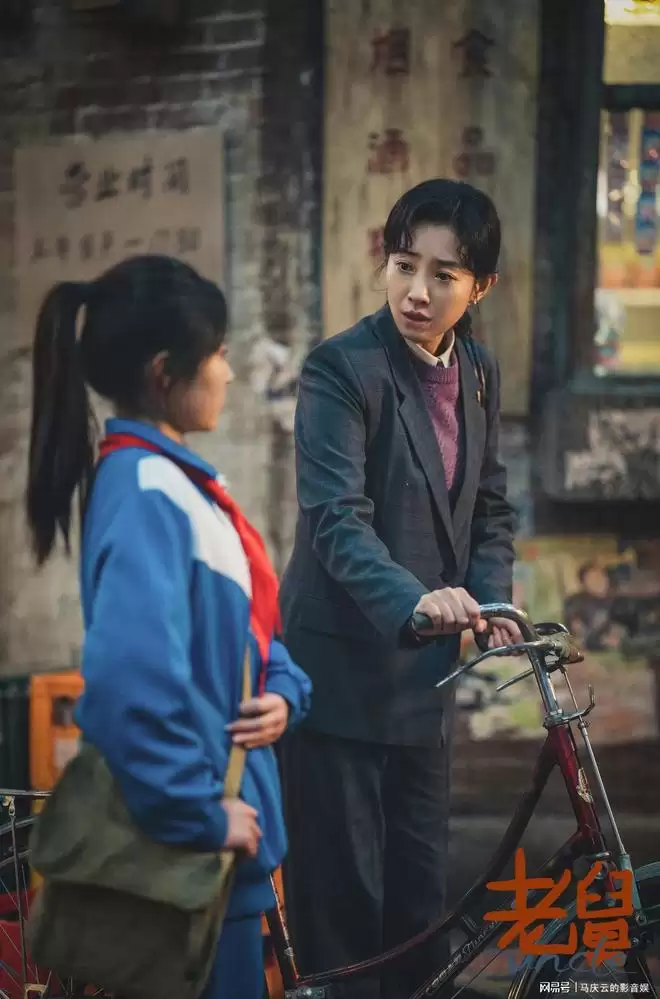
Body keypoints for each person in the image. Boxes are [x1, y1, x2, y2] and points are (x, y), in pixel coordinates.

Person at [25, 255, 311, 999]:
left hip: (218, 855)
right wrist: (201, 814)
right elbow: (130, 686)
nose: (228, 372)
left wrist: (284, 690)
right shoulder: (148, 490)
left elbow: (247, 634)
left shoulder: (175, 483)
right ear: (164, 373)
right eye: (218, 354)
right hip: (193, 865)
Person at [279, 179, 519, 998]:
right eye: (404, 263)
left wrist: (489, 597)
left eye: (444, 274)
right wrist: (413, 599)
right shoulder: (341, 368)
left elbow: (490, 504)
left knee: (419, 904)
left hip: (424, 685)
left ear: (480, 286)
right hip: (341, 676)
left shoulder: (478, 370)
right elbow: (336, 520)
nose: (417, 290)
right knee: (344, 909)